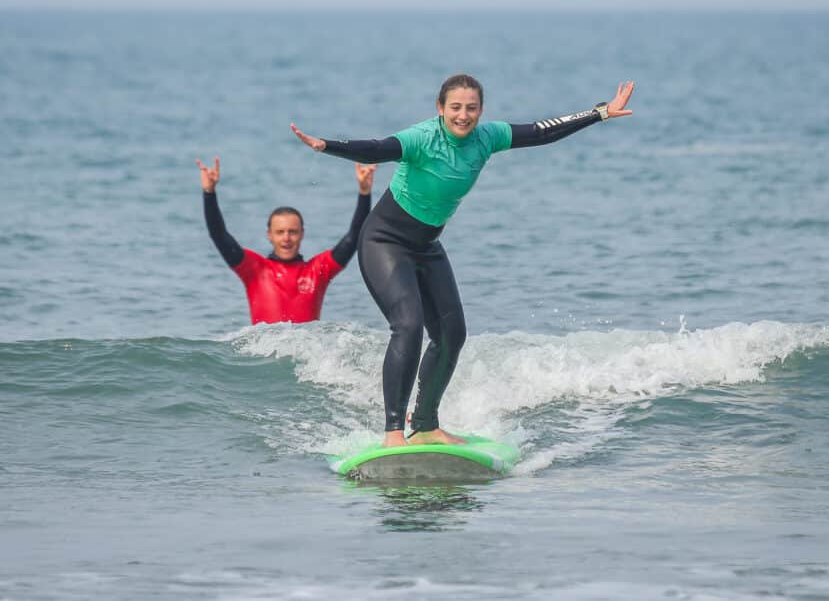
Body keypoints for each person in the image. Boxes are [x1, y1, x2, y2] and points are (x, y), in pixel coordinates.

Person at [291, 75, 634, 447]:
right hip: (384, 242)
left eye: (471, 108)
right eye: (455, 107)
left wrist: (601, 112)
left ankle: (425, 425)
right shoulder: (422, 138)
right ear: (440, 109)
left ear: (480, 110)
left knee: (452, 336)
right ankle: (393, 432)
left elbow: (540, 132)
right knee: (408, 325)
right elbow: (377, 148)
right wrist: (326, 146)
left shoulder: (487, 138)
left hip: (427, 246)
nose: (463, 115)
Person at [197, 156, 376, 324]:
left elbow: (354, 238)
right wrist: (209, 193)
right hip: (263, 356)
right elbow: (219, 235)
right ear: (269, 235)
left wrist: (364, 192)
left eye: (293, 232)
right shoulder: (254, 270)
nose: (286, 238)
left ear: (302, 234)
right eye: (280, 232)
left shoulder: (318, 271)